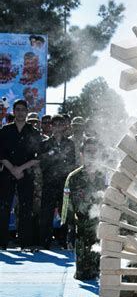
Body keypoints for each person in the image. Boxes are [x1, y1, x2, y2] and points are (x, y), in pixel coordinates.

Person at [61, 137, 107, 280]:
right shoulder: (73, 177)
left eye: (95, 151)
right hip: (82, 233)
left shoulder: (107, 175)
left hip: (104, 232)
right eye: (88, 151)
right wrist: (68, 231)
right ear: (81, 153)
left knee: (105, 276)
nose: (92, 155)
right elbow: (67, 206)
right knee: (83, 275)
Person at [0, 99, 41, 250]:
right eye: (17, 109)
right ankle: (2, 243)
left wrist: (21, 169)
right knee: (3, 208)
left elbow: (37, 157)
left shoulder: (34, 132)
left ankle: (25, 243)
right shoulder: (5, 130)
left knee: (26, 209)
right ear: (13, 111)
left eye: (23, 109)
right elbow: (1, 153)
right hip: (7, 172)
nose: (20, 112)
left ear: (27, 111)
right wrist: (12, 169)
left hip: (26, 174)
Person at [39, 114, 76, 249]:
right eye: (55, 124)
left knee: (64, 213)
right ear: (51, 126)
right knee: (46, 213)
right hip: (49, 181)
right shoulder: (45, 144)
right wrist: (53, 156)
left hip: (64, 183)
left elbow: (72, 163)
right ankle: (45, 242)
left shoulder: (69, 143)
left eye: (60, 124)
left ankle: (63, 241)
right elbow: (42, 163)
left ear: (65, 126)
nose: (58, 127)